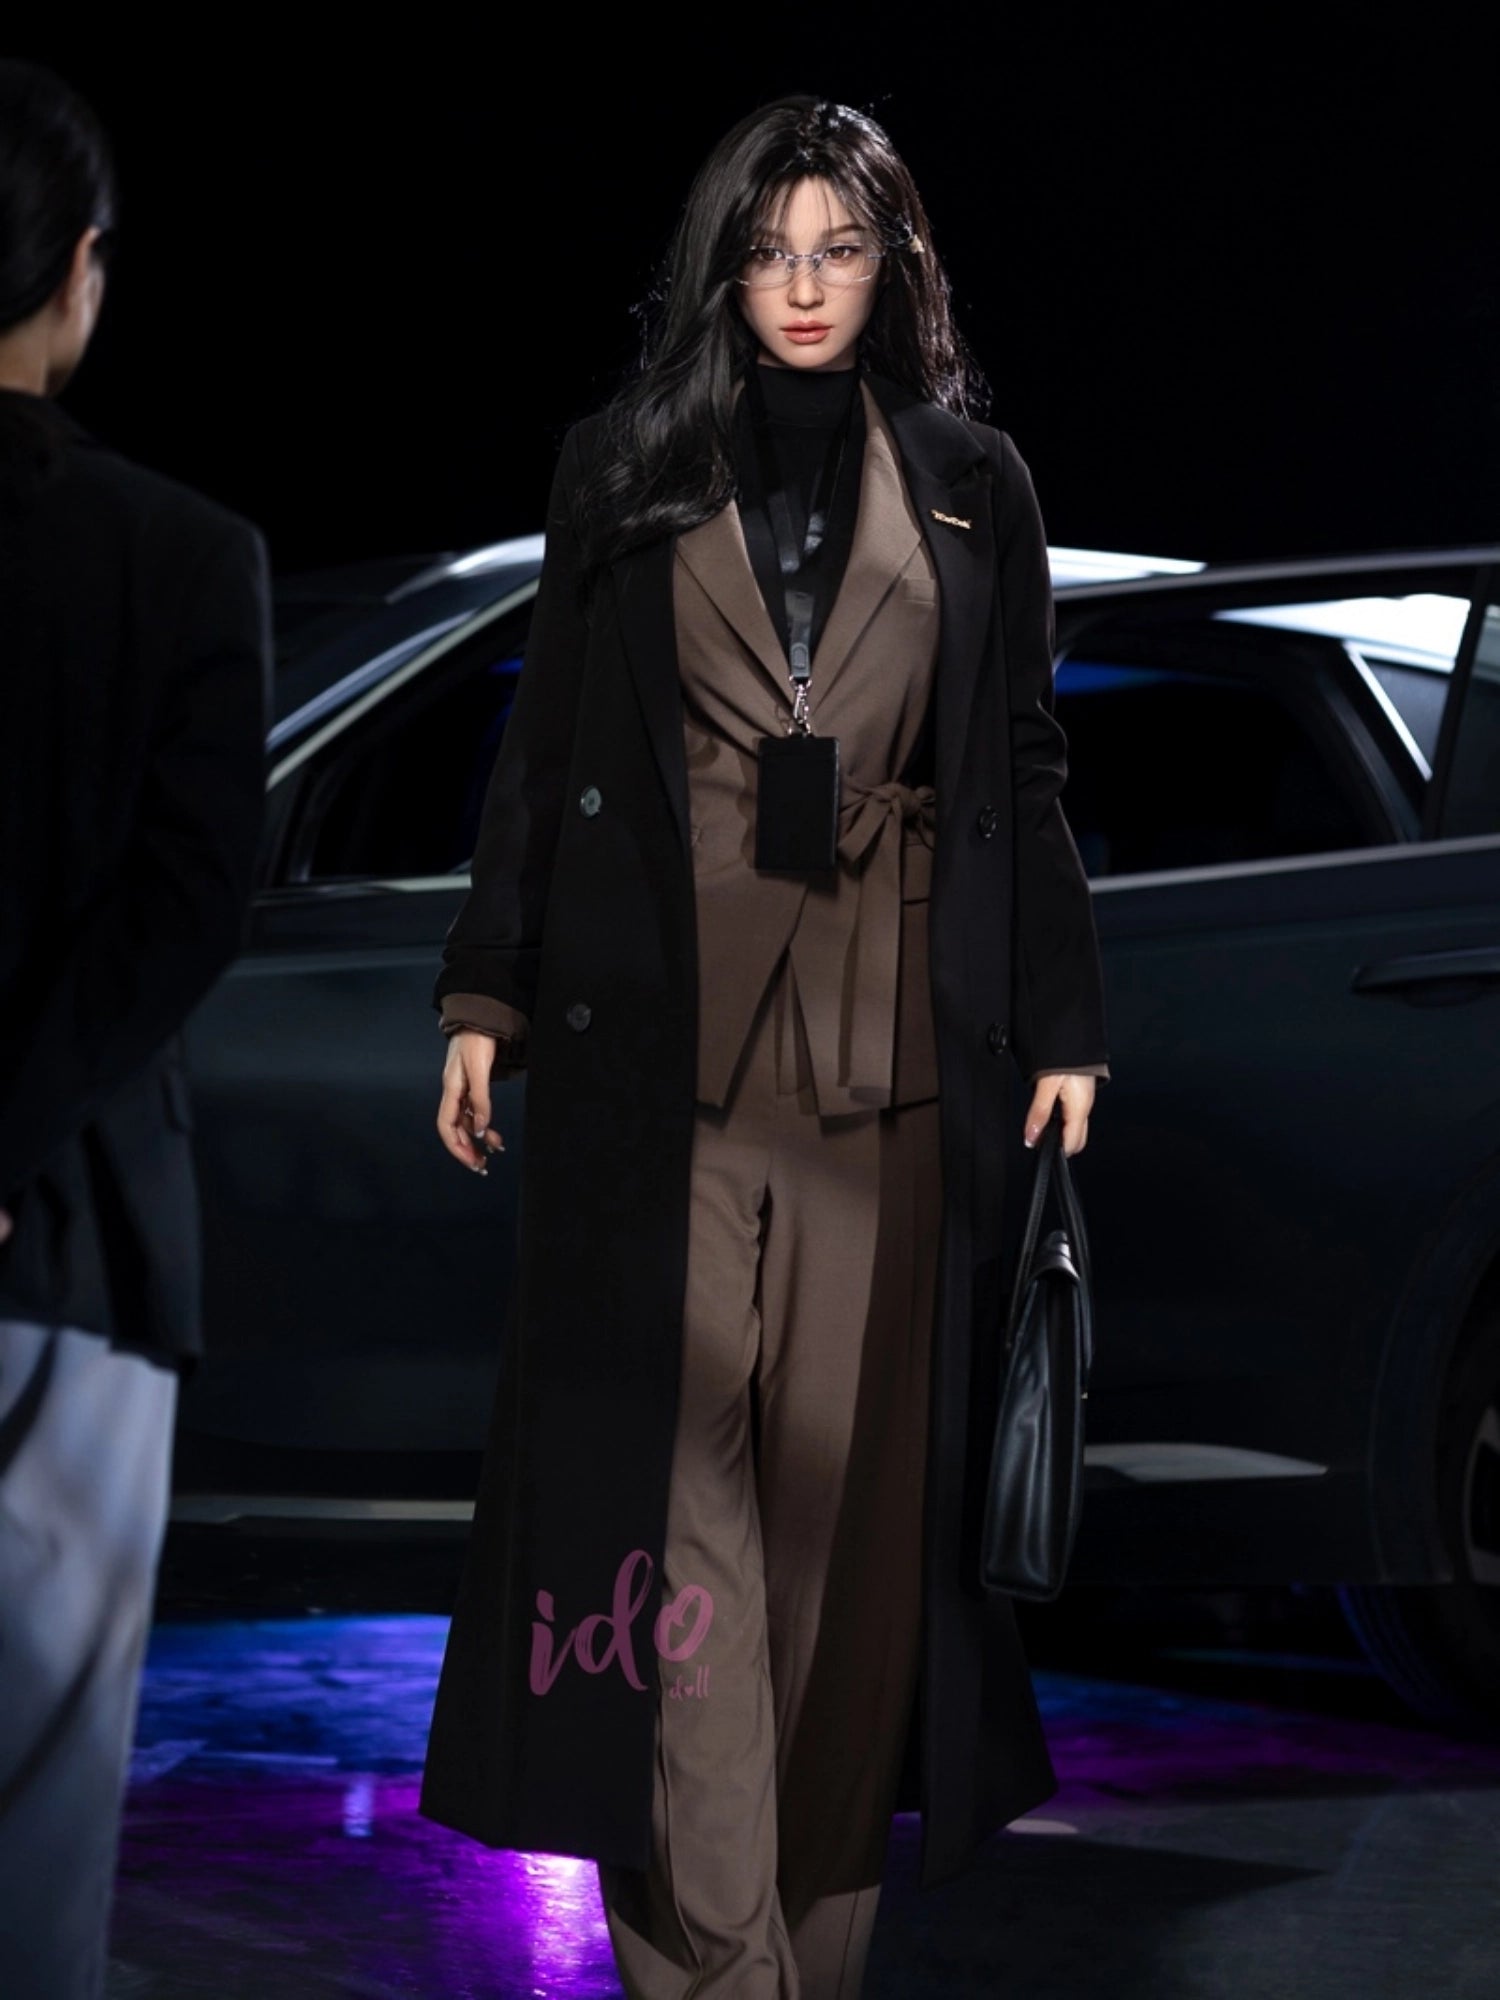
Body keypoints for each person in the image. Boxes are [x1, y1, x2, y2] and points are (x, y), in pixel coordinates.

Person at [420, 94, 1110, 1998]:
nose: (805, 286)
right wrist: (487, 989)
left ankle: (799, 1955)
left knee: (847, 1551)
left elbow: (1024, 760)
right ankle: (728, 1969)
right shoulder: (624, 467)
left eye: (841, 250)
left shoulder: (973, 479)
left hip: (896, 1069)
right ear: (724, 269)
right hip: (664, 1055)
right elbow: (548, 744)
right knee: (687, 1539)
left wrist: (1065, 1016)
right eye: (772, 251)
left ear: (893, 267)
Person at [0, 60, 272, 2000]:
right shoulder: (181, 557)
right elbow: (186, 908)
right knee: (39, 1798)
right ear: (79, 270)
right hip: (74, 1228)